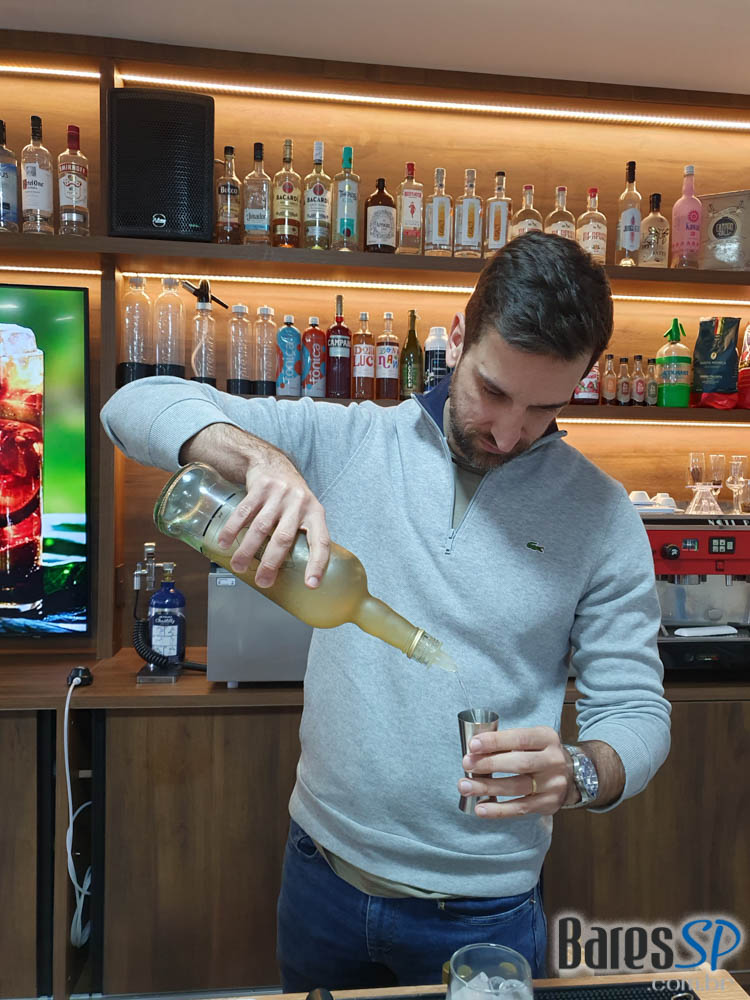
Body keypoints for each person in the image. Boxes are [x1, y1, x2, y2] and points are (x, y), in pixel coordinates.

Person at [101, 231, 671, 991]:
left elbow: (636, 711)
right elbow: (131, 405)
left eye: (544, 408)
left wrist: (580, 772)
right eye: (493, 392)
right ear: (457, 338)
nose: (508, 433)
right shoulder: (351, 440)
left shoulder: (601, 515)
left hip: (486, 907)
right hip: (323, 877)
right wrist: (256, 457)